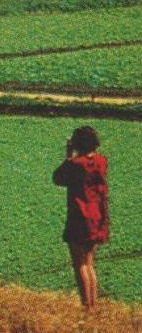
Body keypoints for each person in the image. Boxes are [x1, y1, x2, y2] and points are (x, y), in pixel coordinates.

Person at [53, 126, 109, 310]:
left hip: (79, 216)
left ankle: (87, 307)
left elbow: (58, 178)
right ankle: (93, 304)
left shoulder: (76, 164)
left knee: (80, 265)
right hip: (97, 217)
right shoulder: (101, 161)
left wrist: (69, 155)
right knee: (89, 263)